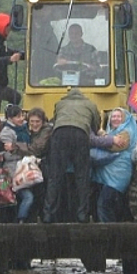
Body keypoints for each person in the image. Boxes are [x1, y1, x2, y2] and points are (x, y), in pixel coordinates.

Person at [43, 88, 101, 223]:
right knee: (82, 176)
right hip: (80, 134)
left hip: (59, 134)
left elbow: (56, 121)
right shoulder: (90, 104)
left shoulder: (60, 103)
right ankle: (82, 215)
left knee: (55, 176)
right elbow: (95, 126)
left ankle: (48, 214)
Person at [91, 108, 137, 223]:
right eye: (113, 116)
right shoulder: (112, 133)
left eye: (119, 117)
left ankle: (109, 232)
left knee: (104, 204)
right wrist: (109, 138)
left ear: (124, 119)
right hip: (105, 174)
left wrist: (100, 138)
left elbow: (115, 147)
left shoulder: (127, 132)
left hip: (118, 174)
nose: (115, 119)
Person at [0, 104, 34, 223]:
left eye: (22, 116)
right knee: (27, 196)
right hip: (13, 168)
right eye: (18, 116)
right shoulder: (6, 133)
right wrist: (25, 150)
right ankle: (21, 219)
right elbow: (8, 154)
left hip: (26, 167)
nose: (22, 119)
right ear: (10, 118)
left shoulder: (26, 129)